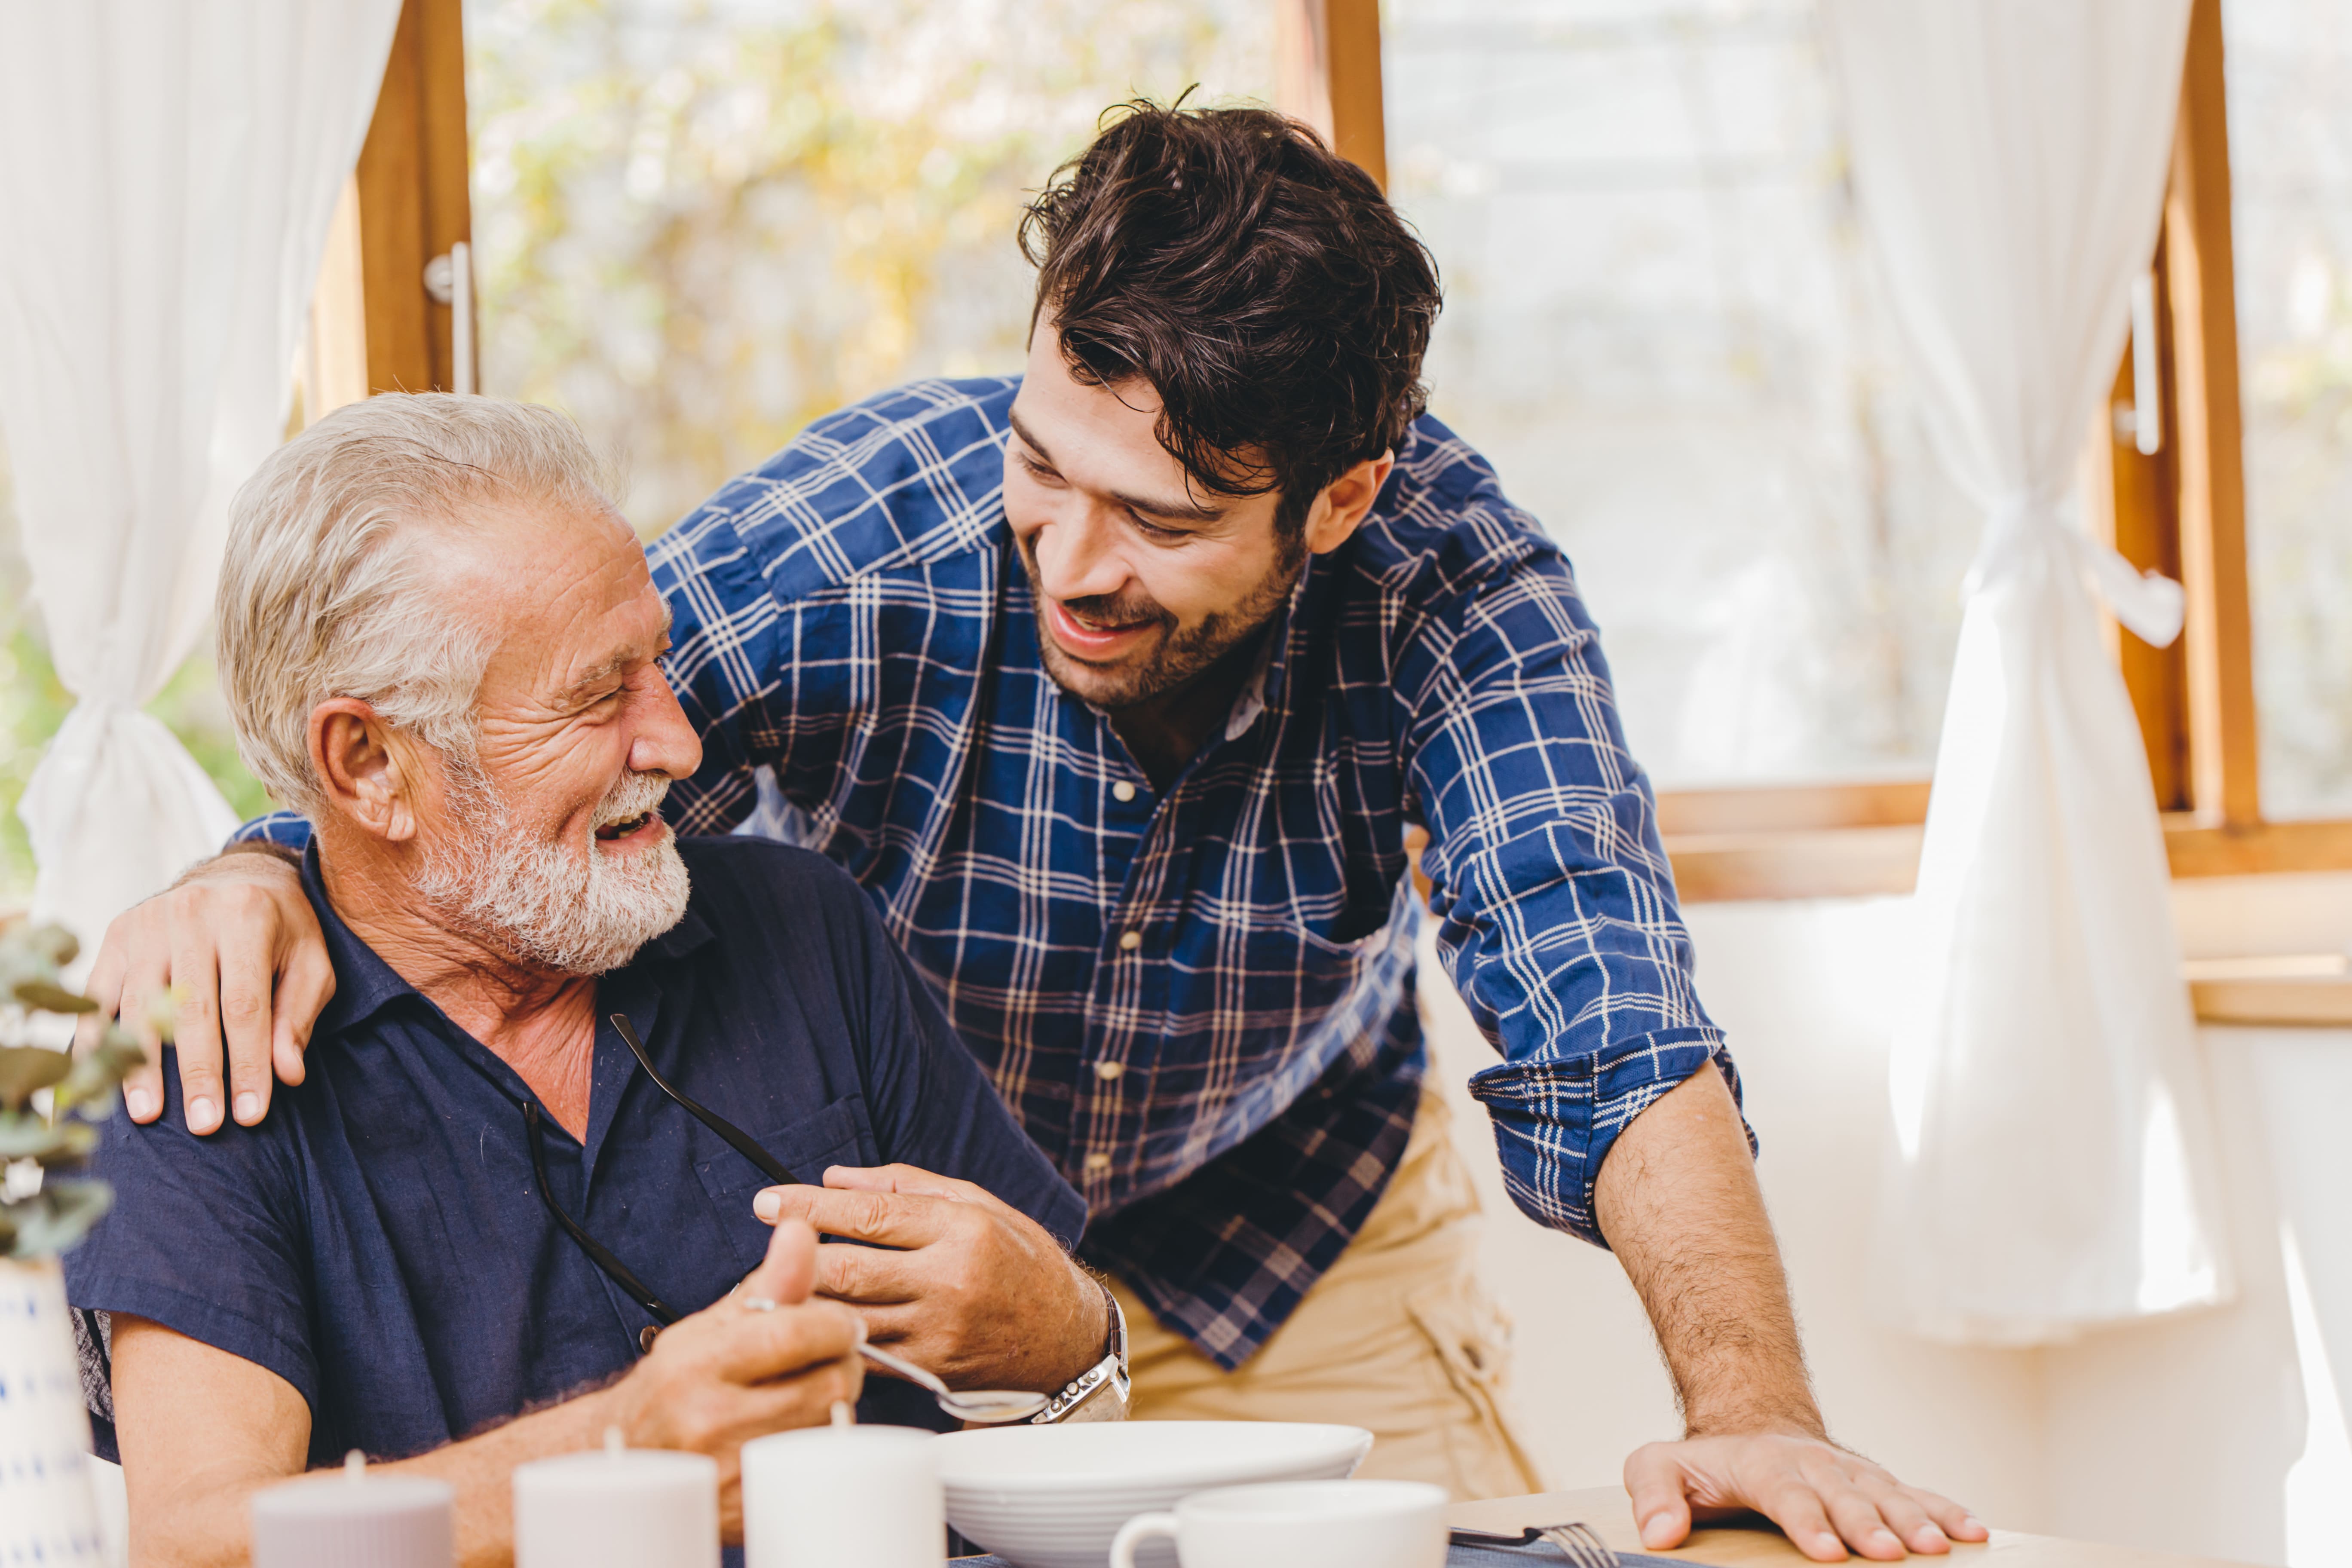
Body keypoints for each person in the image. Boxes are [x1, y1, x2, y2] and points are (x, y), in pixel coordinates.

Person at [93, 104, 1983, 1559]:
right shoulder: (860, 543)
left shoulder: (1455, 605)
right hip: (921, 1263)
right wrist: (253, 868)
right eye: (1042, 467)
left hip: (1290, 1225)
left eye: (1160, 525)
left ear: (1339, 504)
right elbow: (487, 745)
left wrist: (1755, 1409)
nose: (1073, 562)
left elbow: (1614, 1025)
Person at [64, 396, 1111, 1568]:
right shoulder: (202, 1050)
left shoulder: (800, 922)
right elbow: (197, 1549)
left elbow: (1056, 1390)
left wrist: (1078, 1330)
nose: (678, 742)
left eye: (657, 663)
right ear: (368, 764)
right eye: (597, 694)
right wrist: (625, 1453)